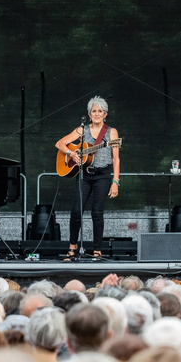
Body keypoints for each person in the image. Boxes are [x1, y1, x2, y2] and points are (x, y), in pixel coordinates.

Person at [55, 96, 121, 260]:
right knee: (76, 211)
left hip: (103, 175)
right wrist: (71, 153)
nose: (97, 114)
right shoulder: (82, 130)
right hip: (84, 175)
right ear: (89, 114)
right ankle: (72, 247)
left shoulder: (111, 132)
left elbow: (116, 159)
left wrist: (115, 181)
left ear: (105, 114)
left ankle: (97, 250)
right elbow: (60, 144)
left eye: (100, 111)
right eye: (94, 111)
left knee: (97, 212)